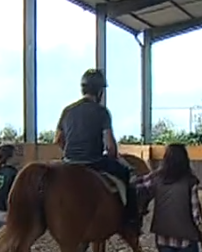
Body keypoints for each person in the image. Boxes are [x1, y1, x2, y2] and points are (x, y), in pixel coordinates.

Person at [53, 68, 141, 231]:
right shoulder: (102, 112)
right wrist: (112, 155)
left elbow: (57, 139)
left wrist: (70, 151)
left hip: (69, 163)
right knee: (127, 175)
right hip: (93, 161)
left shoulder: (67, 110)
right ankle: (130, 220)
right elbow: (110, 146)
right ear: (100, 91)